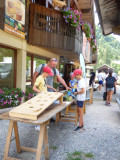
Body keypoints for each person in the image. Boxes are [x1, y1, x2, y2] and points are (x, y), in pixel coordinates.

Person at [33, 66, 57, 131]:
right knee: (40, 112)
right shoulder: (39, 78)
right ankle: (37, 126)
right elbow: (34, 88)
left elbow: (46, 85)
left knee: (44, 112)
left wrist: (53, 88)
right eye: (48, 73)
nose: (49, 75)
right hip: (40, 98)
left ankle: (42, 125)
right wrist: (41, 92)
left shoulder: (44, 78)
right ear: (45, 72)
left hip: (44, 98)